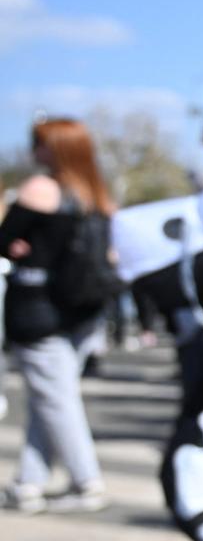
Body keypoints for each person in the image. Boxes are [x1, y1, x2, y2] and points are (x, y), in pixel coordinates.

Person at [0, 119, 115, 513]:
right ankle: (28, 483)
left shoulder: (41, 189)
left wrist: (19, 245)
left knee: (56, 401)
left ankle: (86, 482)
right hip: (84, 310)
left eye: (39, 143)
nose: (33, 150)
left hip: (39, 309)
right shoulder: (96, 196)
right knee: (46, 400)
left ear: (56, 149)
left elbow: (3, 239)